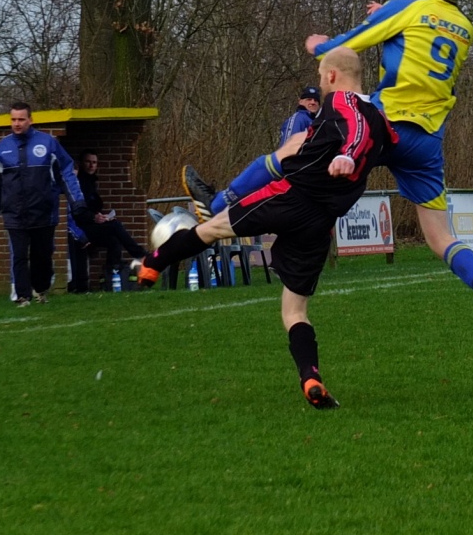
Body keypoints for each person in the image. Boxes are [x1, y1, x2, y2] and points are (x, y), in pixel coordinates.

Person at [137, 47, 397, 409]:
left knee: (211, 229)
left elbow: (353, 128)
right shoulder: (382, 122)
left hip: (290, 197)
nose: (321, 83)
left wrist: (347, 154)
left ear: (332, 76)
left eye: (322, 77)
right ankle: (310, 377)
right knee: (295, 311)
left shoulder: (343, 102)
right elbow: (390, 145)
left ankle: (153, 263)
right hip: (321, 223)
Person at [304, 0, 473, 351]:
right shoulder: (464, 25)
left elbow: (350, 46)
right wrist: (390, 17)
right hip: (426, 139)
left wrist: (320, 46)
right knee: (441, 236)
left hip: (384, 121)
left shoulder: (406, 8)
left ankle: (223, 205)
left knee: (301, 155)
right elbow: (418, 45)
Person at [0, 101, 88, 306]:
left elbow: (66, 172)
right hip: (14, 214)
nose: (17, 123)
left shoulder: (48, 144)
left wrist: (77, 201)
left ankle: (41, 289)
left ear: (30, 120)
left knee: (41, 256)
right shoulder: (2, 148)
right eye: (13, 119)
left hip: (44, 212)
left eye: (21, 119)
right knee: (18, 255)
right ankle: (22, 296)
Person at [67, 149, 147, 292]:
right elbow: (78, 211)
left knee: (114, 241)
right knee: (115, 225)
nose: (91, 165)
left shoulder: (91, 182)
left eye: (94, 162)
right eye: (88, 162)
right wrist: (94, 217)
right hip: (80, 228)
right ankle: (140, 254)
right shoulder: (78, 184)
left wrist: (101, 216)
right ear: (81, 164)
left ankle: (111, 277)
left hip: (90, 224)